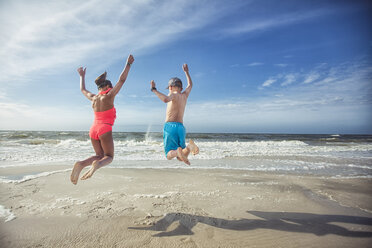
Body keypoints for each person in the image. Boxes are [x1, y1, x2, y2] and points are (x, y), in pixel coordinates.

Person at [70, 54, 135, 185]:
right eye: (110, 87)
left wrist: (82, 76)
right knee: (109, 157)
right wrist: (128, 64)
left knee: (99, 155)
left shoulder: (93, 97)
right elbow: (121, 80)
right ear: (106, 88)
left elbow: (83, 89)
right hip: (104, 128)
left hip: (93, 129)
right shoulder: (109, 96)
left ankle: (81, 164)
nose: (112, 89)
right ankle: (97, 165)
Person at [150, 64, 199, 165]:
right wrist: (186, 72)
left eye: (169, 88)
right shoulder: (184, 95)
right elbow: (190, 85)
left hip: (170, 126)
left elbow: (165, 99)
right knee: (181, 157)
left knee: (168, 154)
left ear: (171, 87)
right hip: (181, 127)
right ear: (181, 87)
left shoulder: (173, 94)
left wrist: (154, 90)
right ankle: (189, 147)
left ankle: (178, 151)